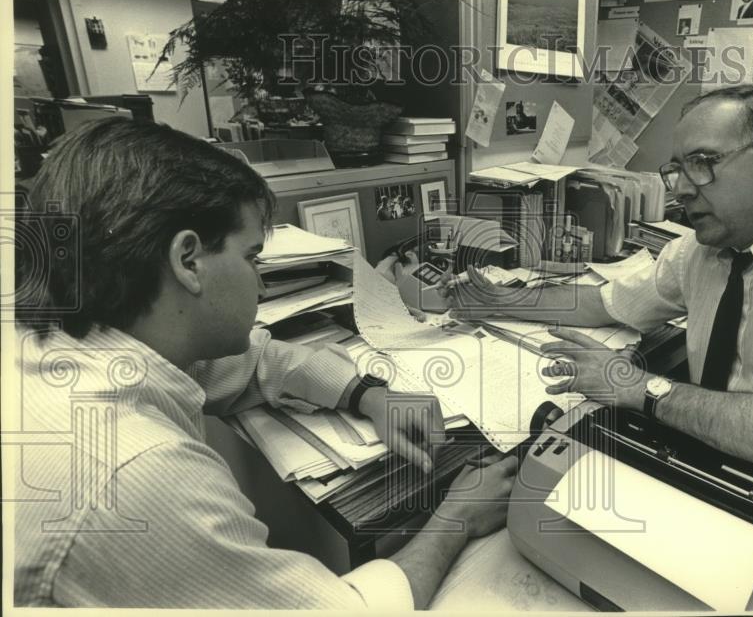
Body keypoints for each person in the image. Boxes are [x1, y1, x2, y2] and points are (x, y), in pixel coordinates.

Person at [13, 117, 517, 609]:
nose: (259, 284)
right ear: (188, 261)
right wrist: (457, 517)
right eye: (253, 257)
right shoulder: (138, 471)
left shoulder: (77, 338)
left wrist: (368, 394)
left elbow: (254, 362)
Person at [448, 85, 753, 540]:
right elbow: (605, 301)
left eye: (703, 164)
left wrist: (642, 389)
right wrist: (500, 300)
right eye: (677, 170)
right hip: (720, 481)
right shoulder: (699, 252)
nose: (684, 190)